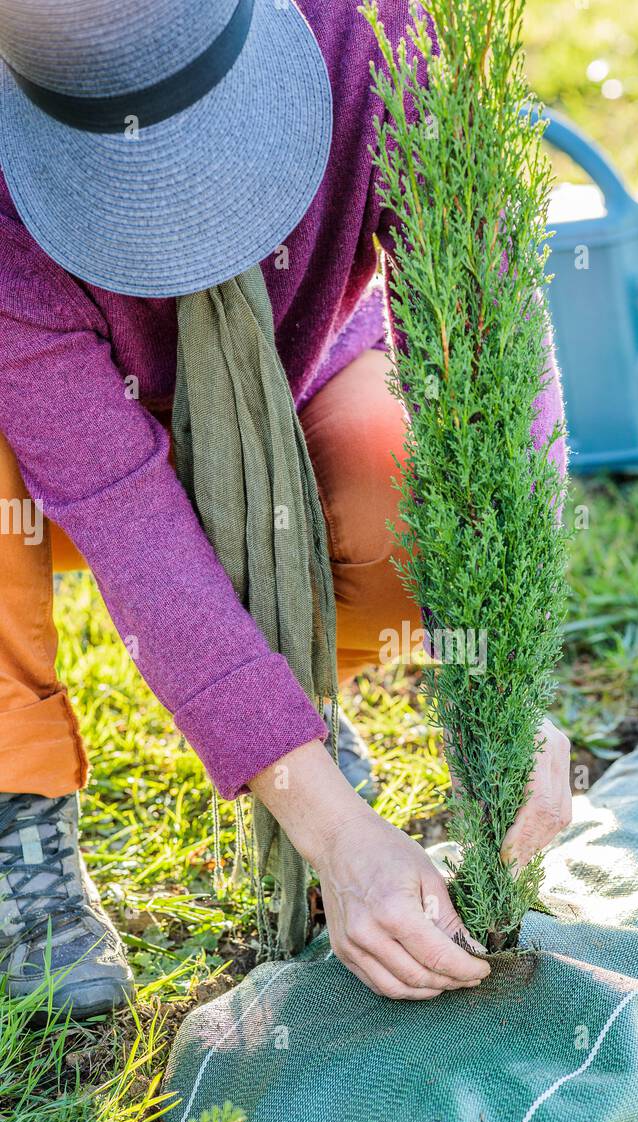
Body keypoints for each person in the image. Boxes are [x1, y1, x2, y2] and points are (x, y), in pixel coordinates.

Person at [0, 0, 572, 1020]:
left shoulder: (378, 38)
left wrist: (518, 684)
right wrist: (334, 834)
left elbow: (488, 360)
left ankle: (298, 702)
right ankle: (17, 800)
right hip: (40, 461)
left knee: (395, 488)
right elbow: (136, 534)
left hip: (298, 370)